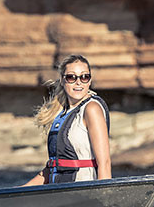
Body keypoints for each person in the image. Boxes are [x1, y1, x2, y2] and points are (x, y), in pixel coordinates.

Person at [23, 54, 111, 186]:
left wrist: (105, 194)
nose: (78, 82)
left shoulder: (92, 109)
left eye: (84, 77)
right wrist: (18, 191)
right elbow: (52, 168)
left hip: (83, 190)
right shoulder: (62, 113)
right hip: (59, 189)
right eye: (71, 77)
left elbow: (104, 162)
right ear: (62, 80)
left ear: (90, 81)